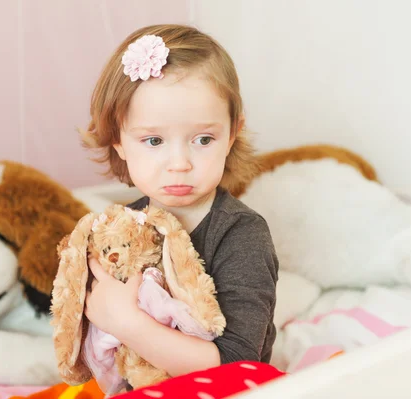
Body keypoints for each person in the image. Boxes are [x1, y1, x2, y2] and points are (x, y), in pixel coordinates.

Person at [80, 24, 279, 379]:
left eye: (203, 139)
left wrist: (126, 323)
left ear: (232, 134)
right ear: (118, 141)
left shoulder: (242, 234)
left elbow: (238, 365)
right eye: (154, 141)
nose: (179, 164)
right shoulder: (124, 226)